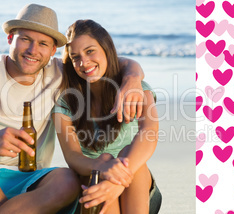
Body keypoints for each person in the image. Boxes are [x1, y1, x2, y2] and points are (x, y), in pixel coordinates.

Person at [0, 4, 145, 214]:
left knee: (66, 179)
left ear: (53, 50)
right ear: (10, 38)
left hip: (32, 190)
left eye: (43, 43)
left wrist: (133, 77)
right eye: (25, 39)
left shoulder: (59, 74)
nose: (32, 50)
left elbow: (106, 62)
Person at [52, 19, 162, 214]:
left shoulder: (134, 90)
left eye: (90, 51)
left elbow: (149, 132)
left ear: (106, 49)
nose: (83, 62)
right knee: (103, 161)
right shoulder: (67, 102)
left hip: (137, 192)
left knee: (127, 155)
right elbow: (73, 157)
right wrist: (103, 167)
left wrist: (118, 181)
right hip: (91, 191)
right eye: (75, 56)